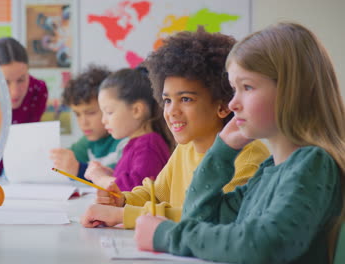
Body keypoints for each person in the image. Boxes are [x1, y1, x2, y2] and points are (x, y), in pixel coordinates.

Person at [134, 22, 345, 264]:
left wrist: (167, 235)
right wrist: (220, 153)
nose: (233, 103)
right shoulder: (268, 170)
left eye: (247, 87)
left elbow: (264, 244)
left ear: (291, 92)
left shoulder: (313, 164)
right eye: (234, 89)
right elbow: (200, 218)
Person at [81, 28, 270, 229]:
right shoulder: (186, 147)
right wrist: (122, 200)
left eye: (186, 99)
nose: (172, 111)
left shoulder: (248, 160)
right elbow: (154, 193)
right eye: (167, 100)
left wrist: (123, 215)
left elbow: (210, 217)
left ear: (223, 106)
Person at [83, 67, 174, 191]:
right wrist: (111, 175)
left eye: (109, 112)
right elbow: (131, 181)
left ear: (136, 110)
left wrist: (101, 179)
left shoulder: (148, 145)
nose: (103, 120)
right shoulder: (136, 143)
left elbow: (137, 192)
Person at [50, 65, 128, 180]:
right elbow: (68, 161)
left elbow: (118, 180)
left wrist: (78, 169)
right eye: (77, 114)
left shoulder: (125, 141)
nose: (83, 122)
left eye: (90, 113)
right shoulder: (88, 141)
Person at [0, 37, 48, 175]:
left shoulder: (38, 90)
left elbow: (28, 143)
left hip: (20, 174)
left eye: (21, 80)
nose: (15, 92)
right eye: (5, 82)